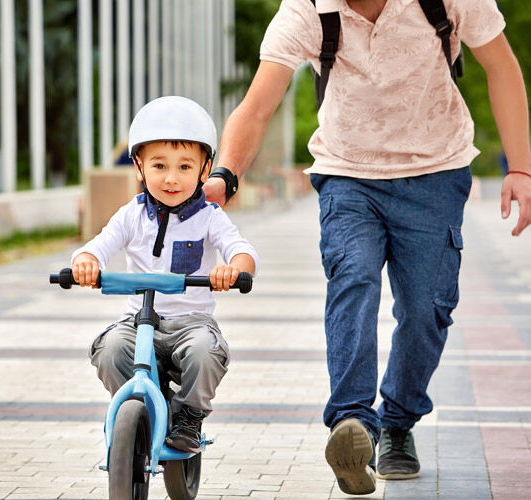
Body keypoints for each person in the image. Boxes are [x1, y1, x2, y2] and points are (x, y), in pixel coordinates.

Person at [203, 0, 531, 495]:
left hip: (436, 172)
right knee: (353, 276)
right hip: (347, 175)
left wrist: (521, 168)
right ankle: (352, 423)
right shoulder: (307, 10)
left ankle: (397, 422)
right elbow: (258, 105)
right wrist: (225, 175)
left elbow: (502, 67)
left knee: (427, 309)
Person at [72, 96, 260, 453]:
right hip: (139, 321)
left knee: (206, 352)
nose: (171, 179)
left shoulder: (209, 216)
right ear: (139, 167)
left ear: (205, 170)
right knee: (110, 348)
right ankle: (135, 409)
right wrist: (85, 261)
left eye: (185, 167)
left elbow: (242, 251)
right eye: (159, 166)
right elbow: (99, 245)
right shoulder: (131, 215)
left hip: (191, 324)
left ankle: (190, 414)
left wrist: (234, 270)